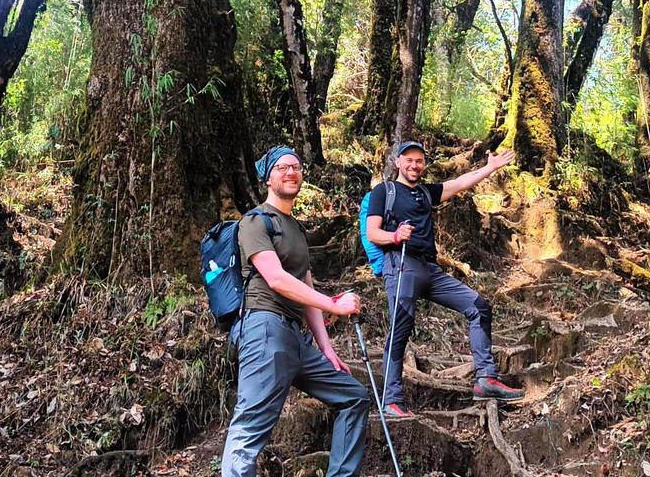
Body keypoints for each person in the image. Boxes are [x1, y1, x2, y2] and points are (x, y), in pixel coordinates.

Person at [222, 146, 370, 477]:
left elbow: (307, 290)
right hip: (264, 329)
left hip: (295, 338)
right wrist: (334, 306)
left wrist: (327, 347)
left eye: (296, 167)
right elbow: (276, 279)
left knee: (354, 397)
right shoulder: (254, 222)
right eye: (282, 167)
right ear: (267, 178)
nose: (291, 172)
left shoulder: (298, 230)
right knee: (249, 429)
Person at [366, 141, 525, 417]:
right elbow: (372, 233)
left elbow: (461, 182)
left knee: (479, 306)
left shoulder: (427, 193)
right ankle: (391, 399)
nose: (414, 165)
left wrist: (489, 168)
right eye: (409, 160)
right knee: (401, 327)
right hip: (401, 264)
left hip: (430, 269)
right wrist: (394, 237)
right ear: (398, 163)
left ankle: (486, 380)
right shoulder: (385, 192)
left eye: (419, 161)